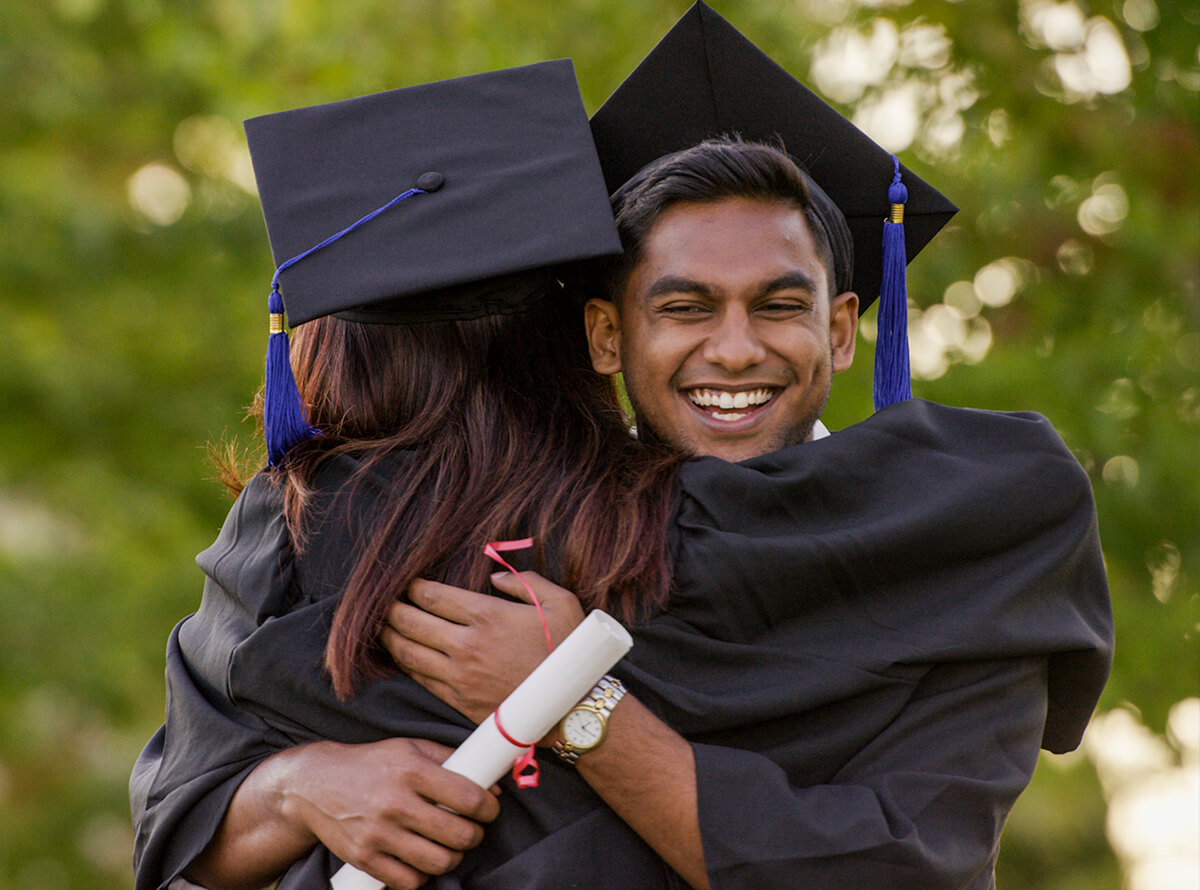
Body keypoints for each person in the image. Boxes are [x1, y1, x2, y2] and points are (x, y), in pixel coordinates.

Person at [132, 6, 1113, 890]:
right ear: (605, 334)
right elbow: (183, 812)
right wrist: (302, 784)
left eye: (779, 303)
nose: (734, 347)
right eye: (681, 306)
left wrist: (569, 700)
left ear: (845, 323)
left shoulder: (953, 547)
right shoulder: (446, 523)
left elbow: (901, 868)